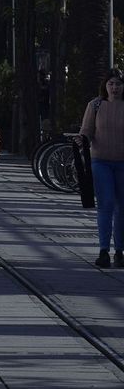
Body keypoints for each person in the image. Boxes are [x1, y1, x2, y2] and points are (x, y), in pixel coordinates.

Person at [79, 69, 124, 268]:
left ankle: (120, 251)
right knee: (106, 204)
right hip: (100, 162)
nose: (114, 88)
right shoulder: (95, 105)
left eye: (118, 84)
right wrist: (82, 139)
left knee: (122, 208)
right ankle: (104, 250)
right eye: (111, 84)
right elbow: (87, 130)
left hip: (123, 163)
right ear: (105, 85)